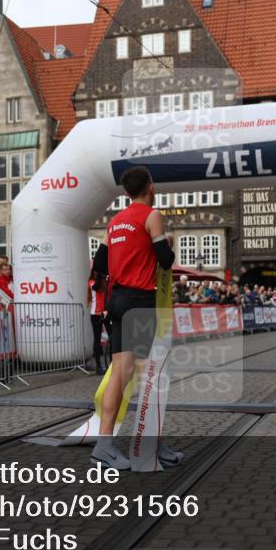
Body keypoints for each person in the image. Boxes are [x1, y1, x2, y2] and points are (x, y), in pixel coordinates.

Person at [92, 166, 176, 470]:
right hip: (141, 301)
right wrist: (168, 243)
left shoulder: (114, 222)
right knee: (148, 375)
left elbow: (99, 263)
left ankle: (119, 444)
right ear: (150, 186)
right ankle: (135, 446)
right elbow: (165, 261)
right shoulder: (151, 215)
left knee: (122, 373)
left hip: (118, 300)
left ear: (127, 192)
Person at [88, 269, 110, 374]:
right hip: (96, 314)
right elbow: (98, 288)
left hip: (105, 313)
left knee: (112, 337)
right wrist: (101, 278)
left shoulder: (103, 282)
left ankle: (112, 364)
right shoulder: (92, 283)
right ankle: (98, 367)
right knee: (97, 340)